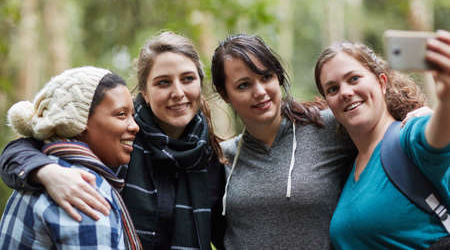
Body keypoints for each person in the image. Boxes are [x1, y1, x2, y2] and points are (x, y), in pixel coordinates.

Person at [0, 32, 226, 250]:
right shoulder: (119, 139)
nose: (178, 92)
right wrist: (46, 172)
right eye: (163, 83)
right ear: (144, 93)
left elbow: (227, 235)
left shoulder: (209, 157)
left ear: (200, 84)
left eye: (188, 79)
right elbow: (20, 150)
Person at [210, 34, 356, 249]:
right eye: (243, 85)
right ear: (225, 95)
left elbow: (383, 123)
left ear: (278, 77)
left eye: (266, 77)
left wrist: (416, 117)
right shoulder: (222, 157)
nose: (260, 92)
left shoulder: (327, 127)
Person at [314, 30, 450, 249]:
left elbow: (437, 138)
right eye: (333, 88)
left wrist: (447, 100)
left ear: (382, 82)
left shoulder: (408, 135)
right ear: (328, 103)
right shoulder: (347, 167)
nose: (345, 92)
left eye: (354, 78)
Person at [0, 66, 142, 249]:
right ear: (79, 123)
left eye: (132, 115)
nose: (135, 126)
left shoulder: (43, 170)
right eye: (121, 115)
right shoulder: (82, 191)